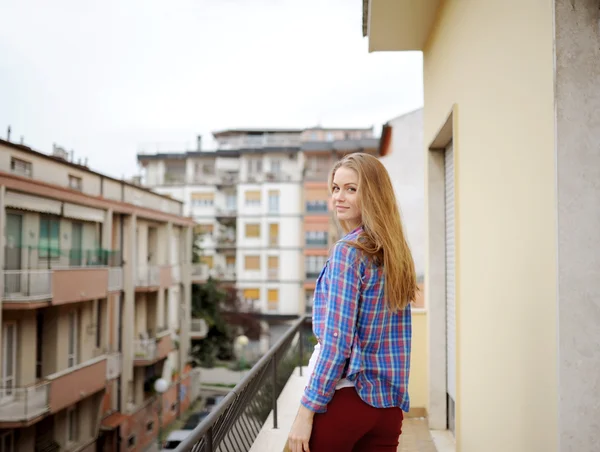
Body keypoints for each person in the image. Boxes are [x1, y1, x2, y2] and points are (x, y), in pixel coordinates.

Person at [287, 153, 417, 452]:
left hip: (347, 401)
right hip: (388, 409)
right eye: (335, 188)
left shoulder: (349, 252)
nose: (338, 197)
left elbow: (336, 342)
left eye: (351, 189)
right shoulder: (396, 252)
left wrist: (306, 411)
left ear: (371, 194)